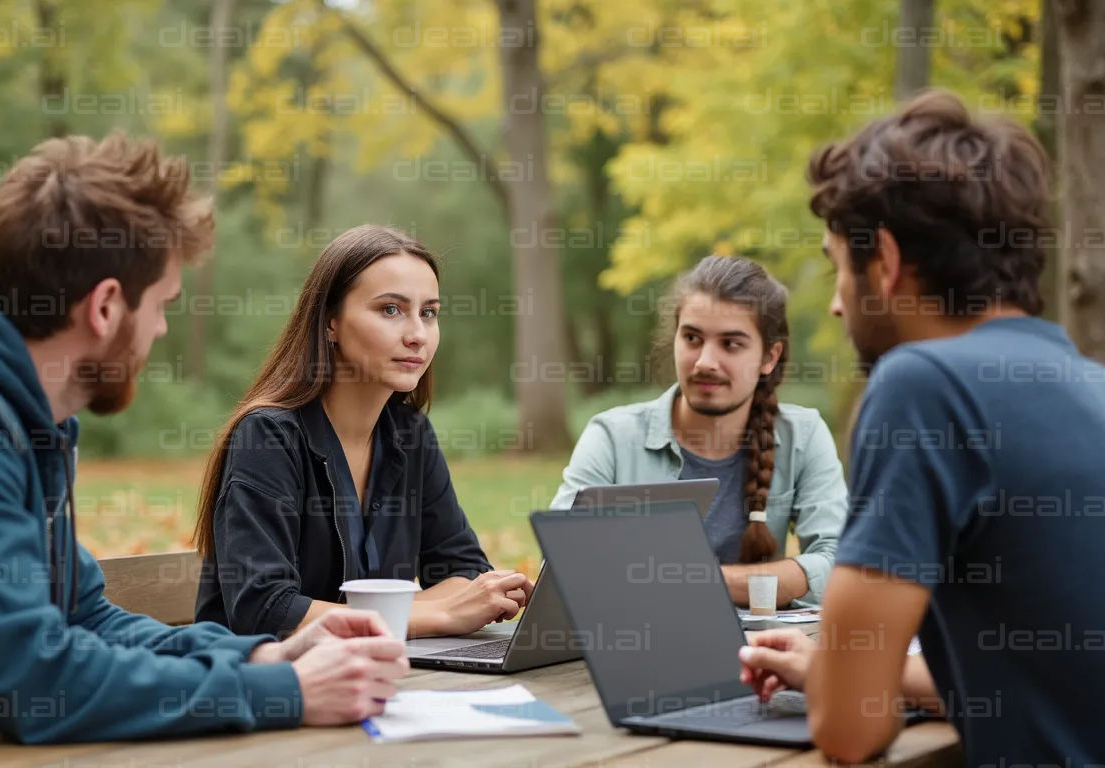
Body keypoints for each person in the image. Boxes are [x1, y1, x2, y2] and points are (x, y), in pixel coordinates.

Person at [0, 134, 408, 767]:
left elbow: (84, 617)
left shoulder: (12, 409)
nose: (158, 330)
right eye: (161, 307)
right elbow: (36, 684)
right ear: (104, 306)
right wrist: (286, 695)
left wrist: (265, 657)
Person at [737, 90, 1105, 764]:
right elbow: (1048, 665)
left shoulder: (923, 386)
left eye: (836, 267)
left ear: (884, 258)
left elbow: (851, 732)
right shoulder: (1090, 386)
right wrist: (833, 664)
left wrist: (839, 684)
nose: (840, 305)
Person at [193, 224, 532, 638]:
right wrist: (438, 615)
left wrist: (409, 614)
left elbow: (464, 570)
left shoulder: (410, 434)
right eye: (390, 309)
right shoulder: (266, 437)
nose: (417, 335)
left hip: (375, 677)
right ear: (330, 322)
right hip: (262, 688)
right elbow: (265, 608)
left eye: (428, 312)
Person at [550, 255, 847, 609]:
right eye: (692, 338)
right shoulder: (612, 438)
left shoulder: (804, 435)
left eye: (731, 344)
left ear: (770, 356)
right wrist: (766, 584)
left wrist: (698, 579)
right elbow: (561, 565)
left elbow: (842, 567)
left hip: (756, 653)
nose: (705, 361)